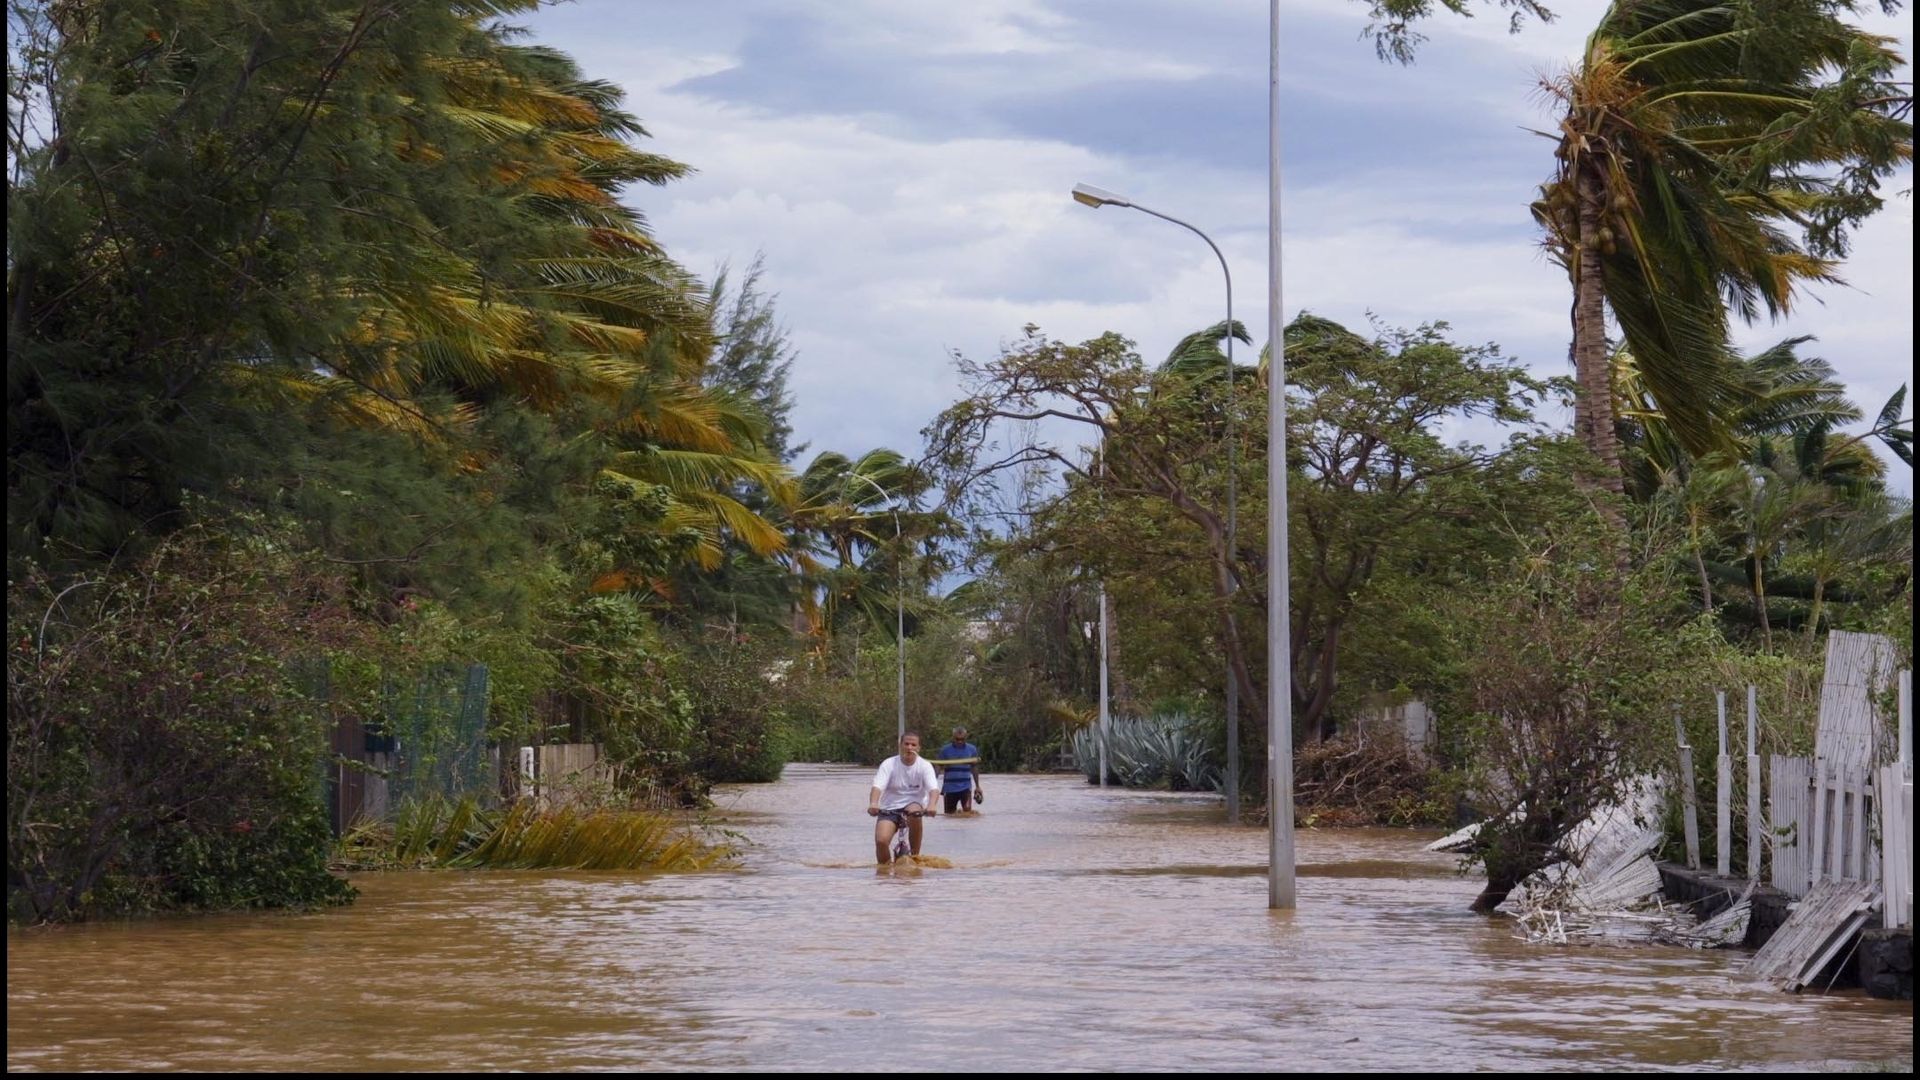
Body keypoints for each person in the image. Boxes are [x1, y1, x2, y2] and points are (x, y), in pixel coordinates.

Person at [868, 732, 939, 864]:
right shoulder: (888, 763)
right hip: (889, 808)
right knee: (881, 841)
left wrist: (932, 805)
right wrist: (873, 803)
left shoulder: (925, 765)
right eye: (906, 744)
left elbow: (933, 790)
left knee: (913, 812)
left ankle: (915, 856)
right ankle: (884, 871)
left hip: (914, 806)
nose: (909, 748)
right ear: (900, 746)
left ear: (919, 748)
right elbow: (877, 786)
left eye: (913, 745)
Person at [930, 725, 983, 814]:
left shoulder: (972, 749)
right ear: (953, 738)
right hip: (949, 788)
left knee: (967, 812)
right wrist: (932, 784)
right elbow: (938, 766)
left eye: (962, 739)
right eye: (957, 739)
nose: (959, 741)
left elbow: (974, 767)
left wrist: (977, 786)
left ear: (965, 738)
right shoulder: (945, 750)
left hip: (965, 787)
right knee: (949, 815)